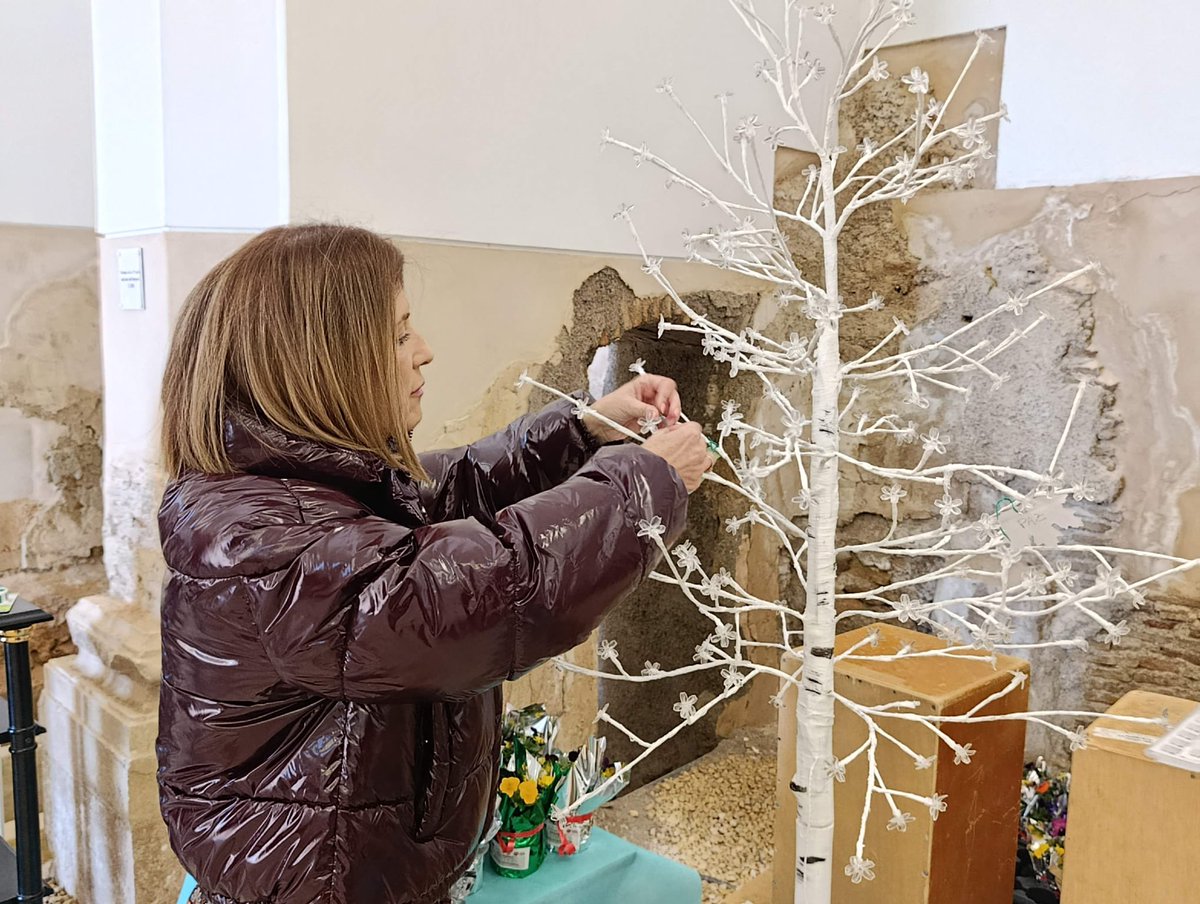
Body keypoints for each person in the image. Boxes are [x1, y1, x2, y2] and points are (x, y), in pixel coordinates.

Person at [155, 224, 712, 904]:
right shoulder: (259, 538)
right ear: (319, 363)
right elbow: (466, 596)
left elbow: (447, 489)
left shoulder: (306, 489)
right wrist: (644, 483)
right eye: (398, 335)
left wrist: (585, 429)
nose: (424, 353)